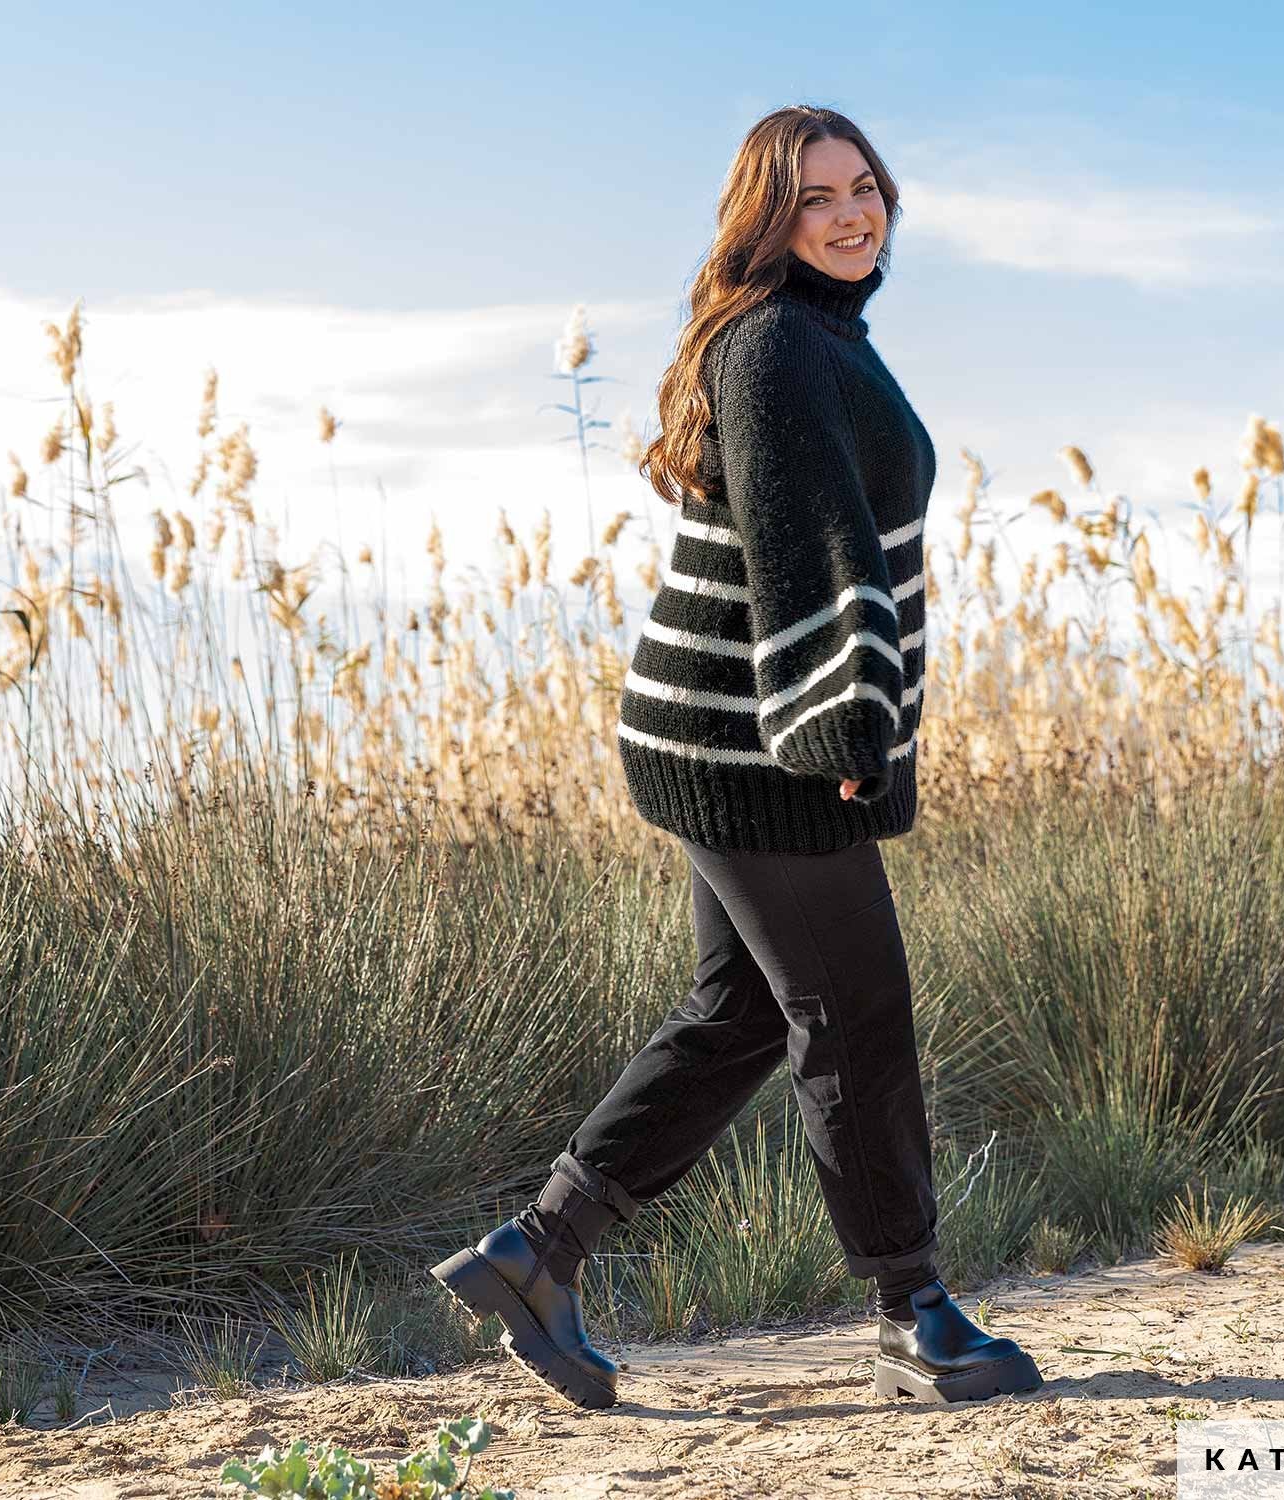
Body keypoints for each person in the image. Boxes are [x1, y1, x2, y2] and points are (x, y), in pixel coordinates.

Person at [431, 104, 1043, 1411]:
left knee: (745, 1012)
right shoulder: (774, 344)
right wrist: (843, 722)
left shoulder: (823, 338)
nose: (851, 213)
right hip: (753, 738)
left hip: (724, 728)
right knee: (854, 1012)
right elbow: (805, 537)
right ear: (768, 218)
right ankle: (914, 1311)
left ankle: (538, 1253)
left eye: (864, 187)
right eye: (817, 196)